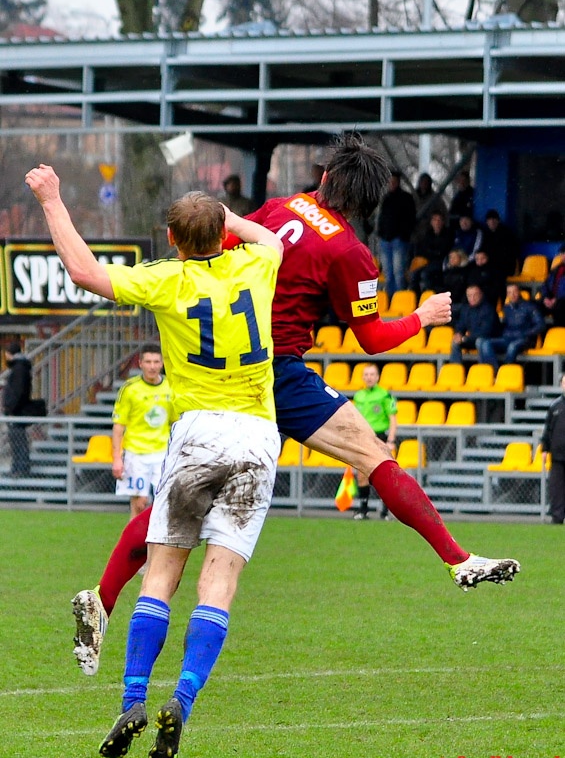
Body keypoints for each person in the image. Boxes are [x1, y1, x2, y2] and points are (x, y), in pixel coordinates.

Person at [60, 134, 519, 679]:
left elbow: (224, 235)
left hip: (223, 368)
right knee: (372, 455)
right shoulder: (352, 253)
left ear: (324, 179)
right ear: (369, 202)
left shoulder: (283, 207)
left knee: (174, 509)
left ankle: (102, 598)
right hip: (276, 373)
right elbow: (371, 337)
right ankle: (457, 560)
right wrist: (422, 316)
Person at [25, 163, 283, 758]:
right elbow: (265, 237)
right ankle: (183, 701)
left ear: (171, 240)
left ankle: (133, 699)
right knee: (217, 586)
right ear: (224, 235)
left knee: (160, 575)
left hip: (196, 435)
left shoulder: (167, 281)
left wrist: (54, 200)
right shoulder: (256, 263)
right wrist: (226, 223)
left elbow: (84, 272)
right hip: (257, 436)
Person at [112, 343, 174, 519]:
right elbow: (118, 426)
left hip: (162, 453)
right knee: (139, 504)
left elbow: (176, 422)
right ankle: (136, 546)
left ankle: (156, 545)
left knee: (164, 504)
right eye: (148, 362)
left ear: (162, 364)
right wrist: (117, 459)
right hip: (136, 454)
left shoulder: (171, 387)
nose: (152, 366)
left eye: (156, 362)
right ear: (140, 364)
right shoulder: (130, 389)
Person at [352, 364, 397, 520]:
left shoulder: (384, 395)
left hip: (380, 437)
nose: (369, 377)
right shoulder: (358, 396)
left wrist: (391, 440)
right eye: (366, 374)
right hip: (363, 438)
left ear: (377, 377)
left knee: (384, 474)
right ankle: (363, 509)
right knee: (362, 474)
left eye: (372, 374)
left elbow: (392, 418)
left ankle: (385, 511)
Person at [476, 283, 545, 370]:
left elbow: (541, 325)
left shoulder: (530, 306)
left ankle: (505, 371)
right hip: (507, 338)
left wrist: (526, 333)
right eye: (509, 292)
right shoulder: (506, 308)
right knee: (485, 343)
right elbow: (503, 326)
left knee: (512, 347)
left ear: (519, 292)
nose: (512, 295)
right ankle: (495, 371)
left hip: (524, 339)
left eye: (515, 291)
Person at [376, 170, 417, 297]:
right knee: (388, 272)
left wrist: (403, 234)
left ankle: (399, 299)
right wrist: (381, 233)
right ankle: (389, 299)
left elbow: (411, 219)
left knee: (398, 272)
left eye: (394, 181)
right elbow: (381, 218)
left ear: (398, 182)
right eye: (390, 181)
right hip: (385, 239)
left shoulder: (406, 198)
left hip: (399, 240)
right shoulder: (386, 198)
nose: (392, 183)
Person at [2, 341, 32, 476]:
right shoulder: (20, 367)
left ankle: (21, 468)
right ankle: (17, 467)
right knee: (16, 440)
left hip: (16, 411)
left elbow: (18, 391)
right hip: (16, 410)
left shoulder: (19, 369)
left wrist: (10, 407)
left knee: (18, 440)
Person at [450, 285, 500, 364]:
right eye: (469, 296)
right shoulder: (466, 309)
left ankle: (489, 369)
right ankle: (455, 370)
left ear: (481, 295)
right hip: (471, 339)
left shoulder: (488, 309)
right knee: (455, 343)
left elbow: (485, 332)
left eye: (475, 295)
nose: (472, 298)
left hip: (489, 340)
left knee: (480, 342)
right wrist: (458, 334)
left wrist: (465, 338)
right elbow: (460, 325)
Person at [540, 374, 565, 524]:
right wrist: (544, 449)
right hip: (557, 456)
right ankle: (557, 516)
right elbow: (548, 430)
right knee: (556, 487)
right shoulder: (555, 406)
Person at [480, 209, 519, 301]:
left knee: (498, 280)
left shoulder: (506, 233)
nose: (492, 222)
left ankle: (501, 304)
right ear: (487, 222)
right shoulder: (485, 234)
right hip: (489, 267)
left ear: (498, 221)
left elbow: (512, 252)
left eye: (494, 220)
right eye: (490, 220)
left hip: (504, 267)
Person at [409, 210, 451, 295]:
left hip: (442, 262)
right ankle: (414, 297)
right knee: (414, 273)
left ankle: (429, 295)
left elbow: (443, 251)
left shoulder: (448, 234)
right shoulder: (427, 234)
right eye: (435, 220)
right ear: (431, 222)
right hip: (428, 262)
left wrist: (432, 253)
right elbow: (423, 250)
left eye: (439, 220)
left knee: (425, 274)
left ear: (443, 222)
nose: (437, 222)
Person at [540, 246, 565, 327]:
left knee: (560, 308)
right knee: (533, 306)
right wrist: (545, 297)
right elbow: (545, 285)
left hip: (562, 301)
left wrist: (556, 299)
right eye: (562, 253)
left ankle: (558, 334)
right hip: (551, 300)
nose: (563, 256)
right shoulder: (556, 269)